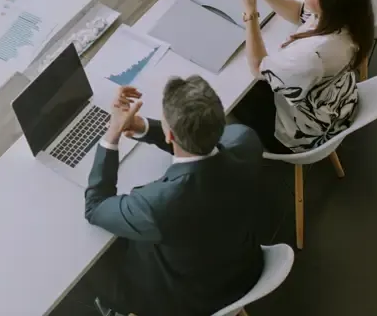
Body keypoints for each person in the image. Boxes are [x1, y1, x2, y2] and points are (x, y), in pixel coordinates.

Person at [85, 77, 264, 316]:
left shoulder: (157, 205)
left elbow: (95, 206)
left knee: (96, 271)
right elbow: (201, 143)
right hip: (247, 270)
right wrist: (143, 126)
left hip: (192, 302)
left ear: (170, 135)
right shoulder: (246, 141)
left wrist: (112, 133)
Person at [230, 0, 374, 153]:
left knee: (230, 99)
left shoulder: (313, 54)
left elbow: (258, 67)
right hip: (336, 103)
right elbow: (301, 13)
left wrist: (250, 11)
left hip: (301, 132)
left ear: (327, 1)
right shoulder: (348, 18)